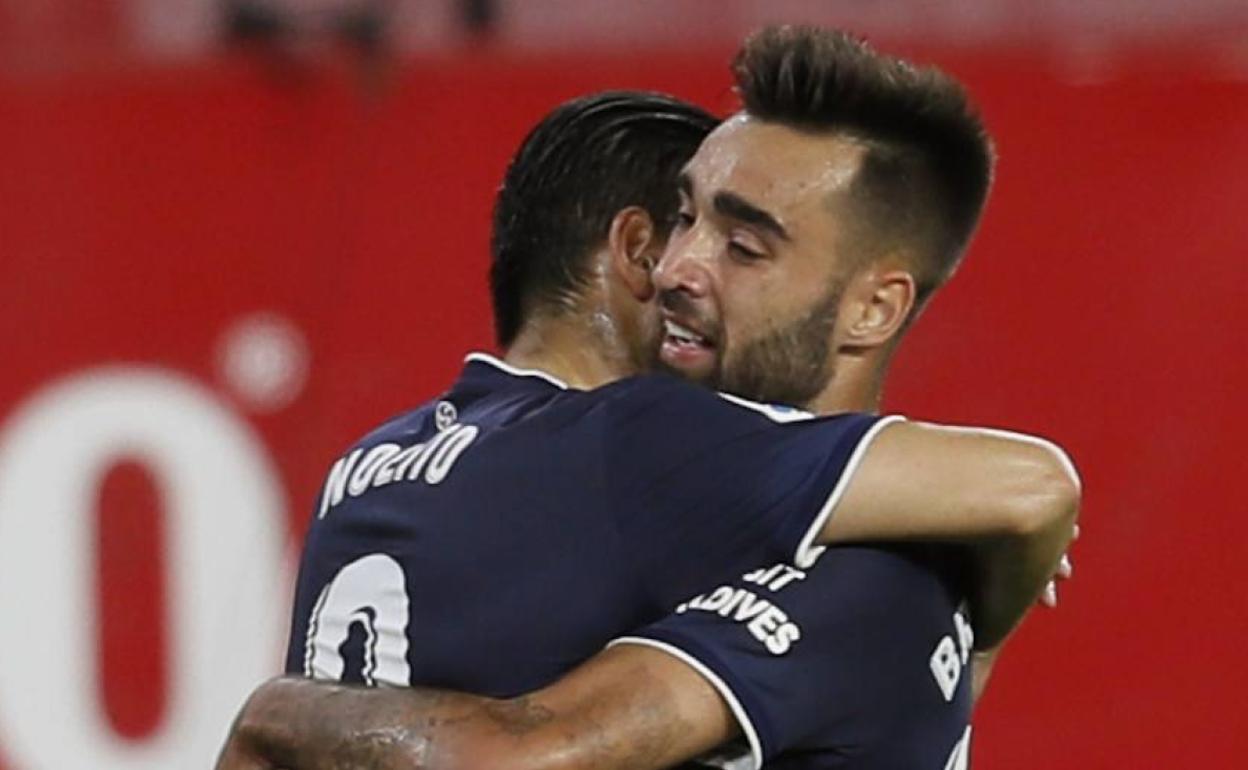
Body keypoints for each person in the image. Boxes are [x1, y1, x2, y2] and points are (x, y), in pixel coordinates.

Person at [217, 26, 1079, 770]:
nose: (675, 269)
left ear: (874, 308)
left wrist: (279, 717)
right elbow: (1027, 501)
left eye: (742, 245)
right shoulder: (847, 564)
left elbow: (518, 753)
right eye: (683, 216)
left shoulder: (376, 465)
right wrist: (1000, 580)